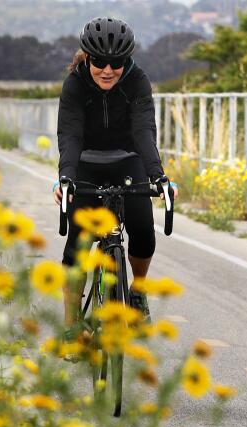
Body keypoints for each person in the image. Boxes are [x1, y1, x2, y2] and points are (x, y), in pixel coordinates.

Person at [53, 16, 170, 327]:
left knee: (143, 229)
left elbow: (144, 131)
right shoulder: (75, 84)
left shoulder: (137, 80)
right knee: (78, 242)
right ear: (88, 57)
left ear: (126, 60)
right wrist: (66, 178)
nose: (108, 70)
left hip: (128, 160)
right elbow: (70, 135)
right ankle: (71, 323)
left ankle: (138, 291)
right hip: (86, 164)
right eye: (100, 62)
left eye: (116, 63)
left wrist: (158, 176)